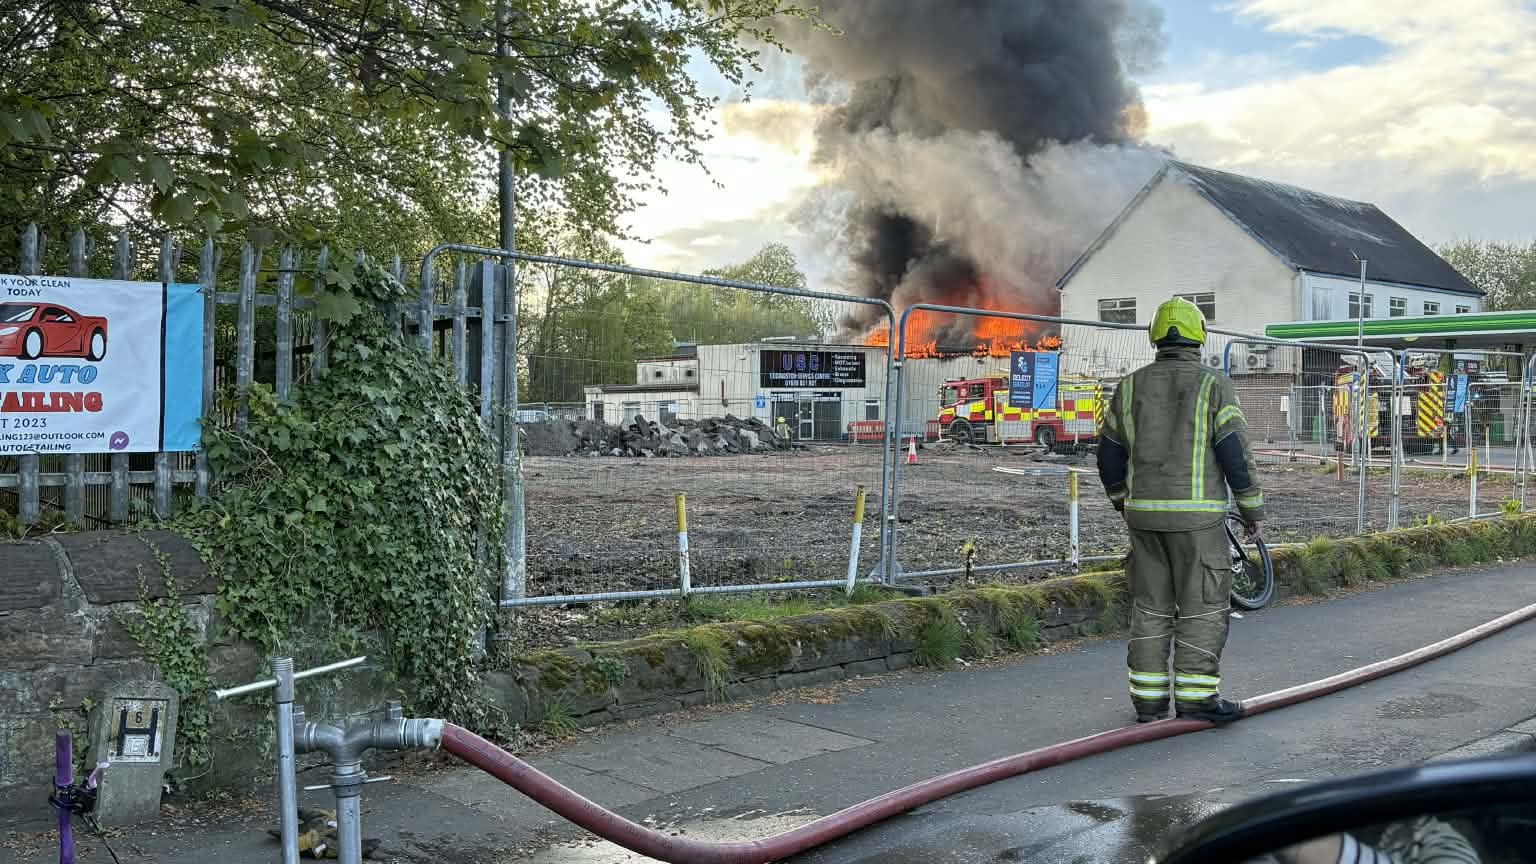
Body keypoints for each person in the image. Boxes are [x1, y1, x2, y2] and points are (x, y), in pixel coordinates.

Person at [1096, 296, 1265, 725]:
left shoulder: (1129, 386)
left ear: (1155, 336)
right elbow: (1234, 455)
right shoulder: (1214, 384)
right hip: (1198, 522)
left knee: (1151, 607)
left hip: (1143, 519)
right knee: (1203, 605)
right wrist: (1252, 511)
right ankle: (1196, 700)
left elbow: (1108, 459)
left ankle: (1148, 705)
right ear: (1198, 336)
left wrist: (1123, 504)